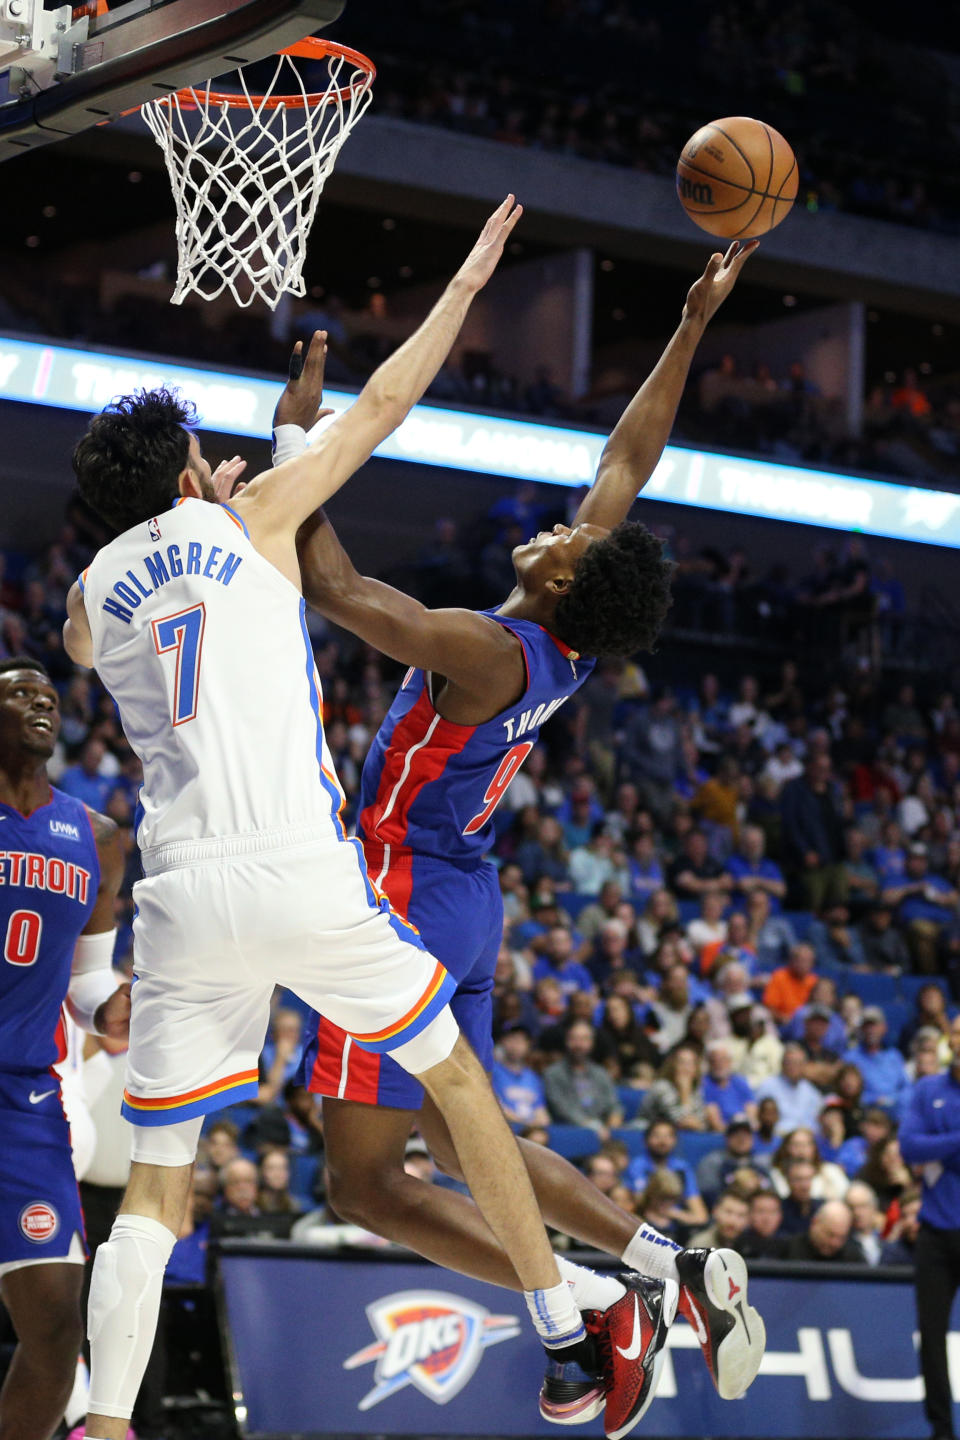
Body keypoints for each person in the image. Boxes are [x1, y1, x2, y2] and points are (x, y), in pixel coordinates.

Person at [65, 202, 647, 1438]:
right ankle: (564, 1331)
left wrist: (207, 496)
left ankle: (104, 1423)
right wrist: (469, 279)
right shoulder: (257, 519)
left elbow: (108, 609)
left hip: (179, 899)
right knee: (458, 1088)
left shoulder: (83, 596)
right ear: (190, 477)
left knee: (153, 1194)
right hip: (305, 870)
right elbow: (383, 406)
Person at [293, 239, 766, 1420]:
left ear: (559, 581)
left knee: (364, 1184)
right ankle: (669, 1263)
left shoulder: (488, 646)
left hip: (398, 897)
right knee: (466, 1148)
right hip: (466, 899)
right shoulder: (568, 637)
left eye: (563, 543)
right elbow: (629, 457)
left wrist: (301, 444)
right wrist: (694, 323)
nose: (556, 530)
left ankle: (603, 1301)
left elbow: (339, 592)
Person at [0, 658, 129, 1440]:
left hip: (27, 1100)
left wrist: (112, 1004)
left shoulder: (97, 836)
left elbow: (88, 981)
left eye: (47, 695)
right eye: (18, 692)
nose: (39, 702)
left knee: (53, 1326)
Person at [901, 1014, 960, 1440]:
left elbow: (927, 1147)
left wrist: (942, 1144)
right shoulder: (928, 1089)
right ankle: (941, 1430)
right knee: (932, 1337)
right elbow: (909, 1146)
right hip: (936, 1233)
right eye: (956, 1031)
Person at [785, 1201, 866, 1263]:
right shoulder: (788, 1251)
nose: (834, 1243)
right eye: (830, 1235)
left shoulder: (853, 1259)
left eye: (842, 1238)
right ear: (814, 1223)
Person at [735, 1191, 788, 1260]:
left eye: (772, 1212)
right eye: (760, 1211)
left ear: (780, 1215)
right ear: (750, 1214)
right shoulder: (738, 1243)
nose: (766, 1218)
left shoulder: (790, 1245)